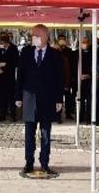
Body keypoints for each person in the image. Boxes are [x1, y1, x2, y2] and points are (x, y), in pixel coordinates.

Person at [15, 25, 65, 173]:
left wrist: (59, 100)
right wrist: (18, 96)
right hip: (29, 98)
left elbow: (59, 79)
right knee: (29, 134)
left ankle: (44, 163)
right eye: (32, 35)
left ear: (45, 36)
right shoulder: (26, 52)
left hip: (48, 99)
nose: (33, 37)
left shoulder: (55, 55)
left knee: (45, 134)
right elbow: (20, 76)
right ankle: (28, 162)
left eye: (36, 35)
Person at [0, 32, 19, 121]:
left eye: (4, 43)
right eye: (1, 43)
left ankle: (13, 114)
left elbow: (16, 62)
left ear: (7, 42)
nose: (2, 45)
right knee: (1, 97)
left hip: (9, 76)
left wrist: (6, 64)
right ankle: (2, 114)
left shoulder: (13, 48)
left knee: (11, 97)